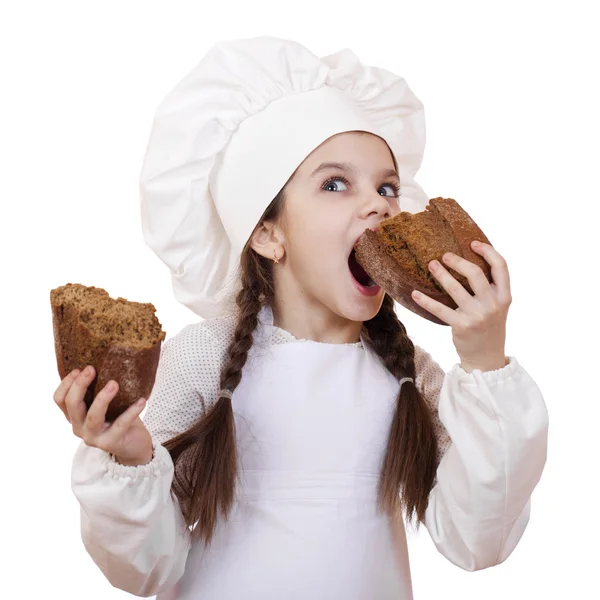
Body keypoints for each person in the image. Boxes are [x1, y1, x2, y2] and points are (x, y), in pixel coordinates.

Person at [54, 37, 549, 599]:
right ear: (268, 234)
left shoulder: (410, 372)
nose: (380, 205)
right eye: (335, 184)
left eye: (388, 187)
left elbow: (477, 541)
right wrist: (127, 457)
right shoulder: (203, 359)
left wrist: (486, 360)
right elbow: (146, 568)